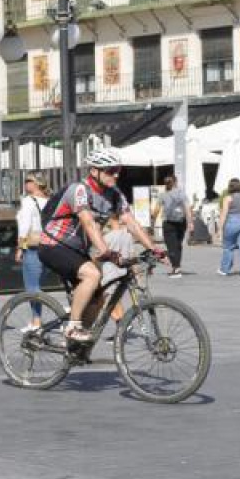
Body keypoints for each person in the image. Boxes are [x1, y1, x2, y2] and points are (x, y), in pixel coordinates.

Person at [36, 147, 165, 345]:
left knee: (98, 297)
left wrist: (153, 247)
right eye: (110, 170)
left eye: (117, 170)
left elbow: (131, 222)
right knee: (92, 275)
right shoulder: (79, 190)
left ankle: (75, 346)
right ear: (94, 171)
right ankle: (73, 327)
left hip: (76, 250)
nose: (115, 174)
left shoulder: (114, 194)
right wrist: (106, 251)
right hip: (54, 244)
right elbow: (87, 222)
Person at [16, 174, 52, 329]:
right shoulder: (50, 201)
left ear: (36, 184)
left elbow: (24, 226)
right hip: (49, 246)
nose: (25, 184)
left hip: (32, 247)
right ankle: (37, 319)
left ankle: (36, 321)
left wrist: (20, 247)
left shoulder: (28, 201)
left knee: (32, 287)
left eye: (28, 181)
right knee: (38, 285)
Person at [152, 174, 188, 277]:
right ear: (176, 182)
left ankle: (176, 269)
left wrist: (153, 222)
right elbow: (187, 207)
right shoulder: (182, 193)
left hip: (168, 223)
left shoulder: (163, 195)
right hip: (182, 222)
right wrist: (190, 222)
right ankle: (177, 266)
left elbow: (156, 210)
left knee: (171, 246)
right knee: (177, 245)